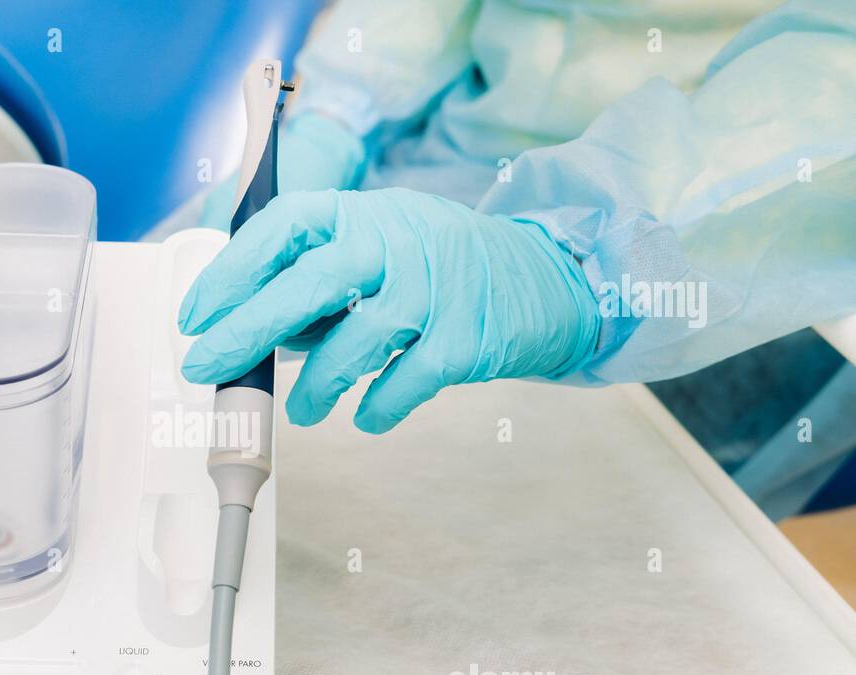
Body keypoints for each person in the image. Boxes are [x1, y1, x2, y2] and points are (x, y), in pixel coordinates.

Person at [174, 0, 856, 440]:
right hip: (429, 164)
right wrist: (338, 115)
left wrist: (584, 269)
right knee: (157, 335)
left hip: (706, 259)